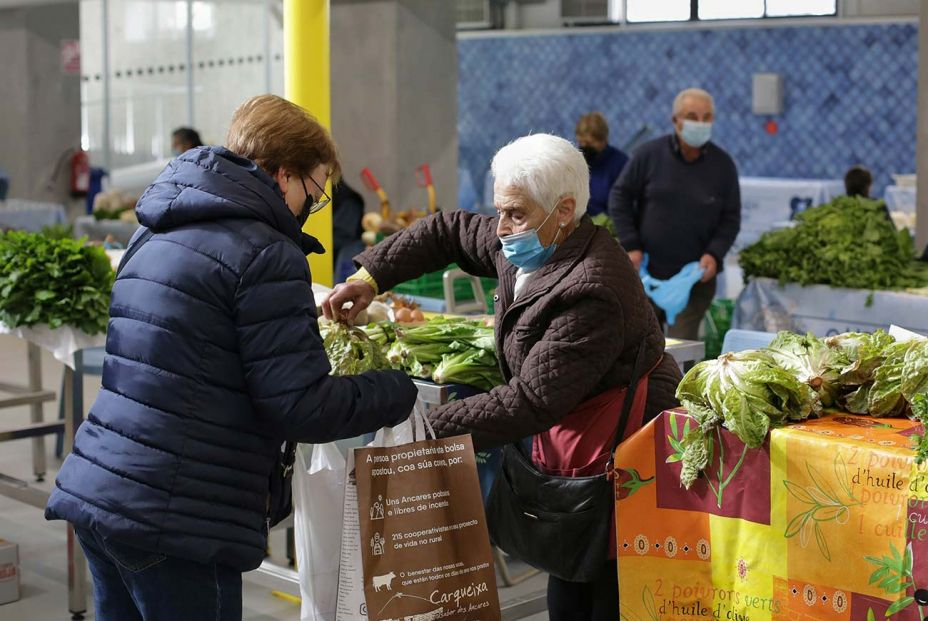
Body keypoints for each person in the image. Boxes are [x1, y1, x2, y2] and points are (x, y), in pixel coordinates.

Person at [45, 94, 417, 621]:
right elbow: (303, 406)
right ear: (284, 176)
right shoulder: (267, 252)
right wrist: (393, 388)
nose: (313, 205)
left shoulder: (155, 228)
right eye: (314, 190)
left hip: (102, 491)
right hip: (178, 520)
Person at [323, 134, 681, 620]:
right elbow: (447, 231)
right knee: (569, 565)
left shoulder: (593, 287)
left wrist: (425, 428)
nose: (504, 228)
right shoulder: (526, 242)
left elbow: (530, 400)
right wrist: (369, 279)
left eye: (516, 213)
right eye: (500, 212)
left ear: (563, 210)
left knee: (602, 575)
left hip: (623, 447)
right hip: (577, 430)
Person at [609, 87, 741, 341]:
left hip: (695, 280)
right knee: (641, 346)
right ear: (675, 120)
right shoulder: (648, 155)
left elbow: (730, 218)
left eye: (706, 118)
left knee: (681, 349)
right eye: (692, 116)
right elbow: (620, 196)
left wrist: (714, 253)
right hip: (646, 275)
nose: (699, 123)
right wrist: (631, 244)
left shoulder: (723, 165)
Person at [575, 112, 628, 217]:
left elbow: (623, 207)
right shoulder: (575, 162)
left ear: (604, 140)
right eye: (581, 143)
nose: (584, 147)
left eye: (589, 143)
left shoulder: (621, 164)